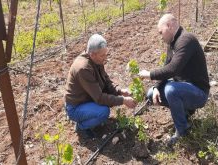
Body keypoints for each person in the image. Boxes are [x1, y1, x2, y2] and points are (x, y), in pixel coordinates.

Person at [138, 14, 210, 145]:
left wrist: (149, 74)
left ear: (169, 26)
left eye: (161, 32)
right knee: (151, 94)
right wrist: (156, 88)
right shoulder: (171, 44)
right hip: (184, 88)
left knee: (171, 90)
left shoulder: (186, 40)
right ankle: (185, 112)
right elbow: (167, 68)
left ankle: (182, 130)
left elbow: (173, 69)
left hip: (199, 92)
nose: (161, 37)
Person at [65, 34, 137, 138]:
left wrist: (120, 91)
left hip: (87, 99)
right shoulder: (83, 68)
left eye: (105, 54)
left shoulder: (96, 60)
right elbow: (99, 98)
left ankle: (89, 115)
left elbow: (106, 81)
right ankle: (81, 126)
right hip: (75, 107)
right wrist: (123, 100)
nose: (105, 58)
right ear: (92, 54)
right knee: (103, 111)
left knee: (107, 100)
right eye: (102, 55)